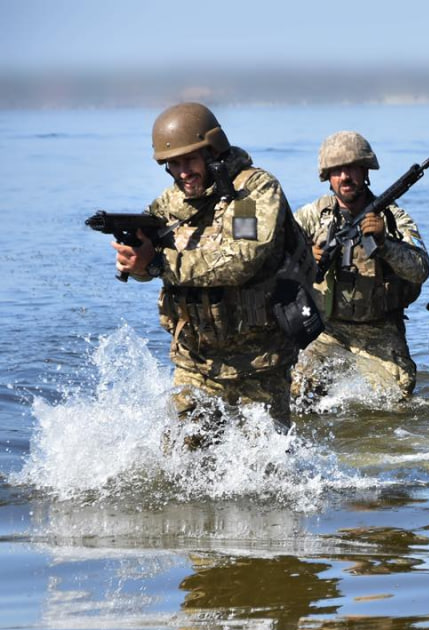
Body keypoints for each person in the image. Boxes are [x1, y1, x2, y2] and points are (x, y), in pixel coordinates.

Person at [113, 102, 311, 441]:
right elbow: (151, 267)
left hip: (260, 362)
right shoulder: (169, 204)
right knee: (179, 458)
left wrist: (159, 264)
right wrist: (138, 263)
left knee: (268, 473)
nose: (182, 172)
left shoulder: (250, 194)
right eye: (173, 164)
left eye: (189, 160)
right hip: (196, 361)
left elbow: (243, 258)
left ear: (213, 151)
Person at [293, 131, 429, 401]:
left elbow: (421, 269)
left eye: (351, 168)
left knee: (397, 398)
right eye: (337, 170)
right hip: (325, 331)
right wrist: (304, 258)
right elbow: (272, 261)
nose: (345, 177)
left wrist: (385, 243)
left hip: (380, 329)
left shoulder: (392, 218)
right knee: (295, 391)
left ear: (365, 171)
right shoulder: (312, 216)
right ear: (327, 176)